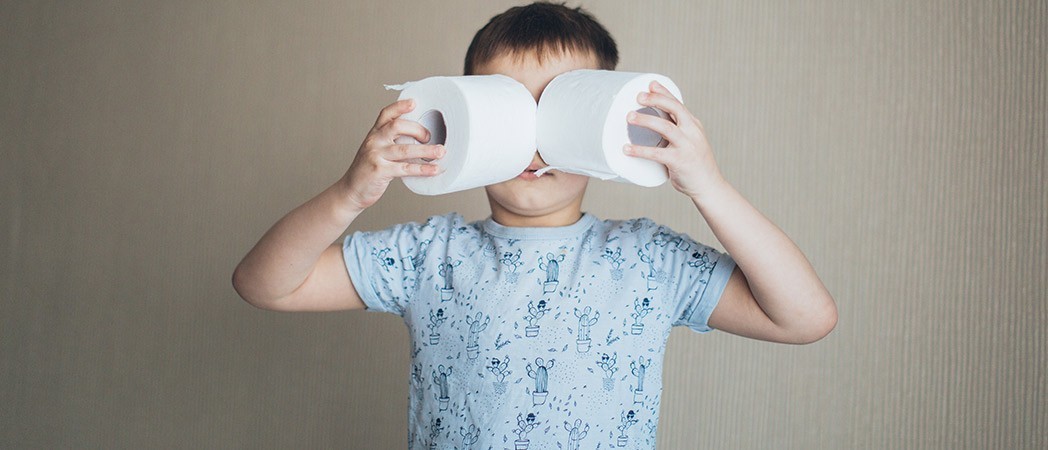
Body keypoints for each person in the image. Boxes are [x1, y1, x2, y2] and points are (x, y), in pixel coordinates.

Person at [233, 2, 837, 448]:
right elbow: (265, 285)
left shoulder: (649, 260)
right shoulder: (428, 255)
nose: (534, 142)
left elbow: (805, 318)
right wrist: (349, 195)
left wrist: (709, 186)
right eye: (511, 111)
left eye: (559, 108)